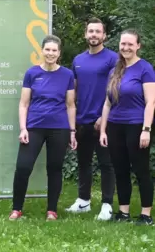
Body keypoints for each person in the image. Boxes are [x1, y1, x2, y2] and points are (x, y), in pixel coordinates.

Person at [9, 35, 77, 221]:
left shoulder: (67, 75)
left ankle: (52, 211)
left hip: (59, 128)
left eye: (54, 50)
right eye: (47, 49)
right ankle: (17, 209)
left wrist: (72, 132)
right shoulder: (32, 73)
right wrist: (23, 128)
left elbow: (70, 105)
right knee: (23, 167)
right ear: (42, 50)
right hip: (34, 127)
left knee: (54, 168)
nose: (50, 53)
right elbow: (24, 104)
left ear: (59, 53)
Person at [99, 29, 155, 225]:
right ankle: (123, 213)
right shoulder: (114, 71)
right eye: (123, 44)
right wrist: (104, 130)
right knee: (120, 170)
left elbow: (151, 102)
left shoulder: (145, 69)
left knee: (141, 171)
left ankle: (146, 215)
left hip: (136, 126)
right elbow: (107, 103)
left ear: (138, 45)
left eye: (130, 44)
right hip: (115, 126)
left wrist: (146, 129)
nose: (126, 47)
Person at [66, 18, 118, 220]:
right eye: (90, 31)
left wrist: (103, 117)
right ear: (85, 35)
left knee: (107, 164)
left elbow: (115, 90)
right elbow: (75, 91)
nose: (94, 35)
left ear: (104, 36)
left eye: (98, 31)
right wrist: (74, 119)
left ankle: (107, 205)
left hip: (103, 121)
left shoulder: (113, 59)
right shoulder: (78, 60)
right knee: (83, 163)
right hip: (82, 120)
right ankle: (83, 201)